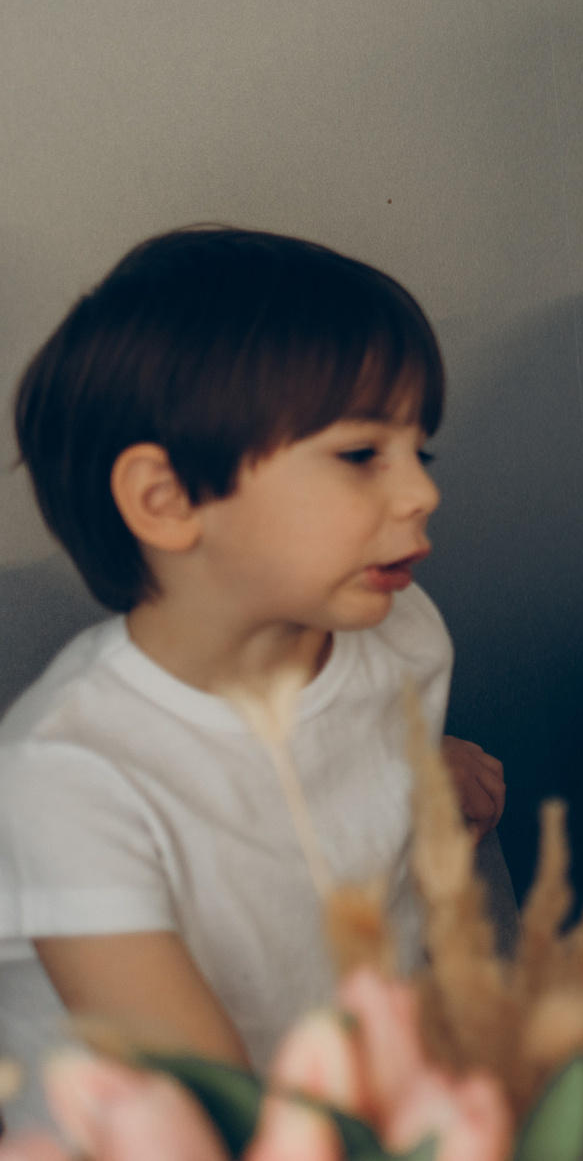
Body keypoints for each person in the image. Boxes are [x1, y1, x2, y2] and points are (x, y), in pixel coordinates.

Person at [0, 229, 503, 1134]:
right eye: (361, 455)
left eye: (418, 451)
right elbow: (208, 1108)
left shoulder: (404, 636)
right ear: (167, 499)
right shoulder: (69, 773)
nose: (421, 492)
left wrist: (421, 770)